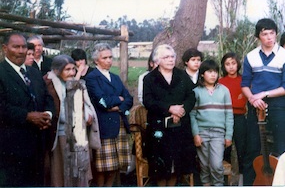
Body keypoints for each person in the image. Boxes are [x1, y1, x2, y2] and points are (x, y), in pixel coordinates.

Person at [0, 33, 55, 186]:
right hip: (11, 146)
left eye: (24, 47)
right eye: (16, 47)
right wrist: (27, 116)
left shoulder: (34, 73)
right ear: (5, 48)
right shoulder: (1, 73)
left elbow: (47, 98)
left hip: (38, 144)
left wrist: (47, 115)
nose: (21, 51)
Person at [143, 44, 196, 186]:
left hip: (180, 126)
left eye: (172, 56)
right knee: (161, 168)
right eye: (166, 57)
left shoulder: (182, 75)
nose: (170, 60)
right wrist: (169, 109)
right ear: (157, 60)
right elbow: (148, 101)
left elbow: (191, 96)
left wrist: (181, 111)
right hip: (159, 127)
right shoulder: (149, 78)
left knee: (176, 167)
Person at [43, 54, 100, 186]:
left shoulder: (75, 83)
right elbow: (58, 109)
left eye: (73, 69)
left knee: (79, 171)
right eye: (67, 69)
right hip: (62, 134)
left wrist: (87, 113)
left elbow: (85, 103)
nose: (72, 72)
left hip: (79, 134)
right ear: (57, 70)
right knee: (63, 172)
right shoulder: (50, 83)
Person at [241, 18, 285, 185]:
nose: (269, 37)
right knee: (251, 149)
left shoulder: (283, 55)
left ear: (276, 34)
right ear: (258, 36)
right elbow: (244, 84)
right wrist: (253, 99)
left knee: (282, 149)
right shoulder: (251, 56)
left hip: (279, 106)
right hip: (255, 107)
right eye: (264, 34)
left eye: (272, 33)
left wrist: (263, 94)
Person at [85, 43, 133, 187]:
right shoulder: (92, 77)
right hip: (104, 126)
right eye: (105, 58)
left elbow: (129, 98)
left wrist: (118, 107)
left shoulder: (115, 77)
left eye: (110, 57)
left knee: (116, 164)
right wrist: (118, 99)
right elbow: (102, 102)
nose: (109, 60)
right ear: (96, 60)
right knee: (103, 167)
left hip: (119, 123)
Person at [190, 59, 234, 186]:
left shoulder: (224, 90)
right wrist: (196, 134)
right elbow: (192, 115)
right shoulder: (196, 91)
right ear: (202, 74)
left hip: (218, 133)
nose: (213, 75)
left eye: (215, 72)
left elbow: (229, 114)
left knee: (216, 164)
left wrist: (228, 136)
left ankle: (218, 184)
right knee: (204, 165)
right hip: (202, 133)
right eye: (209, 72)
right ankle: (206, 184)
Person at [219, 52, 247, 184]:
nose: (231, 67)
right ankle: (225, 180)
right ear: (224, 66)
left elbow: (242, 104)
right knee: (225, 148)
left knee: (241, 148)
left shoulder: (244, 81)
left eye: (233, 63)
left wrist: (233, 102)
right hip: (224, 119)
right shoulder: (220, 82)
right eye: (227, 64)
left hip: (240, 118)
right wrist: (236, 100)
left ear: (238, 64)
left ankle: (241, 180)